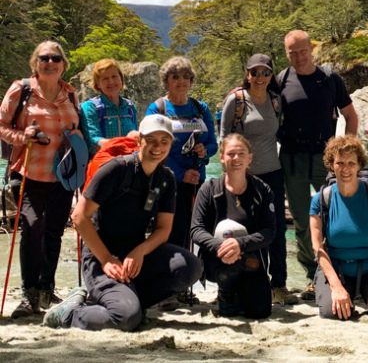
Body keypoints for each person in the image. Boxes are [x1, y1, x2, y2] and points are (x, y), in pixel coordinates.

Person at [43, 114, 202, 331]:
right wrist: (107, 259)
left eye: (164, 141)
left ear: (171, 144)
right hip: (100, 258)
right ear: (139, 141)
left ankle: (128, 302)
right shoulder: (116, 169)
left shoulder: (165, 178)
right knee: (125, 319)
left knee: (190, 267)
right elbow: (79, 217)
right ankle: (70, 313)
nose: (158, 147)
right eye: (151, 140)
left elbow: (164, 230)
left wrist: (141, 251)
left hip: (133, 256)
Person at [0, 41, 82, 317]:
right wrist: (22, 137)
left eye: (55, 57)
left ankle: (47, 289)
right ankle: (29, 292)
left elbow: (78, 129)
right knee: (33, 226)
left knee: (54, 231)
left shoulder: (70, 94)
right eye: (44, 57)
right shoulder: (21, 90)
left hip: (63, 175)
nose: (50, 61)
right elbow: (1, 125)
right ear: (36, 63)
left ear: (63, 63)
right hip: (27, 172)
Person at [278, 30, 358, 300]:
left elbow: (350, 114)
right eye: (293, 53)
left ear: (311, 49)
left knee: (334, 216)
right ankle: (313, 276)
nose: (299, 57)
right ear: (287, 54)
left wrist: (350, 151)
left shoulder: (329, 78)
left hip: (325, 159)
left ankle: (338, 271)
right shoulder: (281, 80)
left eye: (303, 51)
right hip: (292, 159)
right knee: (301, 220)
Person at [220, 53, 296, 306]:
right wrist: (230, 174)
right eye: (255, 72)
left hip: (272, 172)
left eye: (266, 72)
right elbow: (225, 138)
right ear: (247, 73)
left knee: (276, 229)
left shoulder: (275, 101)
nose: (260, 77)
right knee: (245, 229)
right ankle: (246, 281)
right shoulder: (237, 100)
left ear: (271, 75)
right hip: (245, 176)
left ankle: (279, 285)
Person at [309, 134, 368, 322]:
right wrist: (335, 286)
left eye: (351, 163)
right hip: (337, 269)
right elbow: (317, 247)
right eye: (340, 163)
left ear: (360, 165)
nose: (345, 169)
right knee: (333, 313)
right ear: (331, 165)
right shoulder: (321, 199)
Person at [190, 134, 276, 319]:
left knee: (260, 311)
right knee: (226, 230)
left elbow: (269, 232)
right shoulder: (209, 189)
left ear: (249, 158)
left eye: (241, 154)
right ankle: (225, 291)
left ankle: (240, 290)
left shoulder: (262, 190)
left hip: (250, 258)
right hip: (217, 259)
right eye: (230, 154)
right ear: (222, 157)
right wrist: (222, 247)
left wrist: (240, 245)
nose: (236, 158)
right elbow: (196, 230)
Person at [145, 57, 217, 249]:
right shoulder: (158, 109)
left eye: (186, 76)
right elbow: (152, 149)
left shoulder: (201, 108)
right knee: (169, 234)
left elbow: (213, 144)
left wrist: (205, 151)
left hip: (197, 181)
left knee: (194, 233)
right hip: (168, 181)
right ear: (166, 81)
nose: (181, 81)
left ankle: (189, 275)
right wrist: (181, 174)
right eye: (175, 77)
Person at [80, 59, 138, 156]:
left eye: (114, 76)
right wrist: (120, 146)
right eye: (105, 78)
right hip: (105, 165)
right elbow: (93, 140)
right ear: (97, 83)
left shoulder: (130, 107)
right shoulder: (91, 107)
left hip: (130, 164)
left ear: (121, 79)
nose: (111, 81)